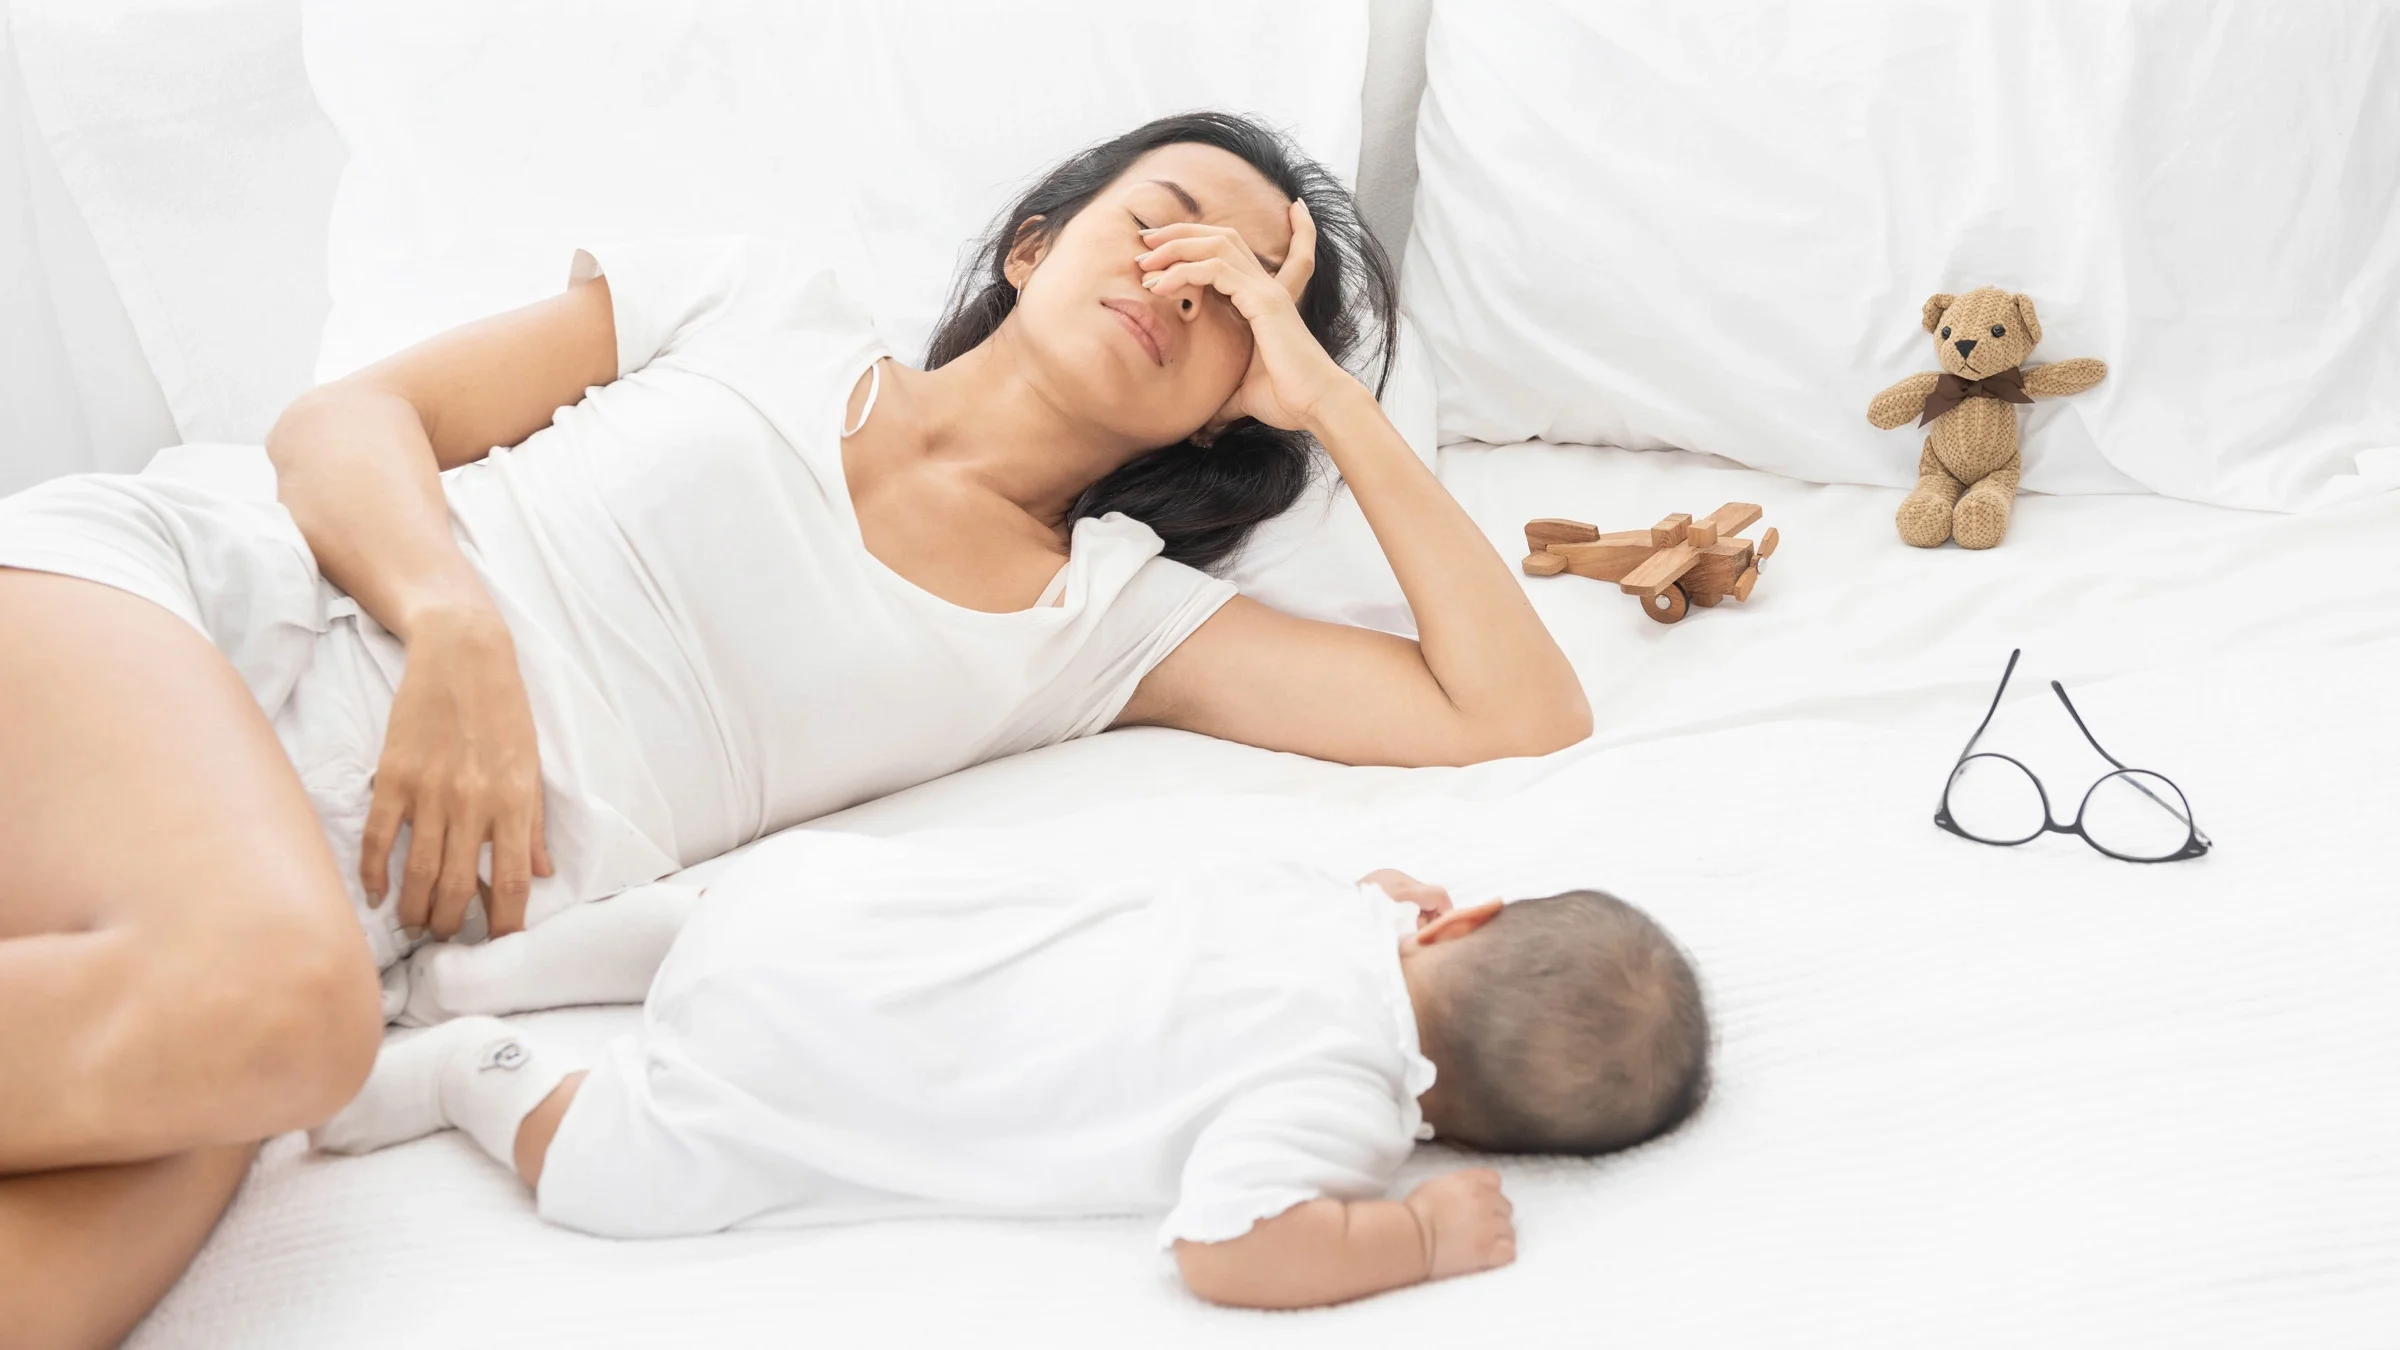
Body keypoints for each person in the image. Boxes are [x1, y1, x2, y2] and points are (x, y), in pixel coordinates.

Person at [0, 112, 1587, 1344]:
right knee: (295, 1024)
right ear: (1035, 246)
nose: (1182, 278)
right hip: (210, 626)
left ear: (1242, 399)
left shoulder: (1102, 624)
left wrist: (1329, 398)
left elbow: (1514, 712)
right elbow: (347, 419)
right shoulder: (759, 304)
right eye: (1159, 222)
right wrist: (451, 620)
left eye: (1236, 293)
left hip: (320, 923)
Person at [313, 839, 1712, 1310]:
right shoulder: (1348, 1107)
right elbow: (1228, 1244)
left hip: (813, 909)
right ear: (1484, 1132)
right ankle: (464, 1070)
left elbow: (1339, 902)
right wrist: (1409, 1239)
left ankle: (479, 974)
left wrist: (1385, 905)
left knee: (706, 920)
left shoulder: (1336, 912)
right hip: (800, 1065)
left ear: (1460, 921)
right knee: (610, 1171)